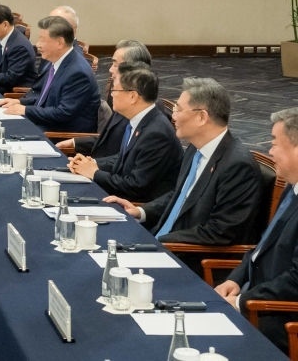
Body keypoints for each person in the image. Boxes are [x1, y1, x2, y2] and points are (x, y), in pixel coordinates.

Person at [103, 77, 262, 248]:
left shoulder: (237, 166)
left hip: (185, 254)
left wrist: (161, 242)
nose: (173, 117)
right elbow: (180, 195)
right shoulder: (195, 149)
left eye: (178, 109)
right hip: (161, 238)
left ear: (201, 117)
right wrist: (141, 211)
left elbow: (219, 232)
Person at [215, 107, 298, 353]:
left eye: (274, 143)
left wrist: (243, 301)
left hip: (279, 321)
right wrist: (236, 279)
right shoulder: (292, 188)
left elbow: (295, 281)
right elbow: (262, 247)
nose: (269, 151)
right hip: (256, 299)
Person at [68, 63, 182, 201]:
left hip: (135, 204)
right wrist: (91, 163)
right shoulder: (140, 121)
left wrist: (95, 173)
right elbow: (124, 160)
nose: (111, 95)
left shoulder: (156, 134)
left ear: (133, 96)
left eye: (114, 90)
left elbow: (136, 186)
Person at [0, 15, 99, 132]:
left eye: (42, 40)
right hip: (45, 123)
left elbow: (63, 113)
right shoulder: (57, 62)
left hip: (59, 133)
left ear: (60, 43)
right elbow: (44, 97)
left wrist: (25, 110)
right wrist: (19, 101)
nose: (37, 44)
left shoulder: (77, 72)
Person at [59, 40, 153, 157]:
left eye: (115, 65)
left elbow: (126, 158)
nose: (110, 69)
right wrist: (75, 142)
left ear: (133, 70)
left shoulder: (144, 110)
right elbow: (109, 139)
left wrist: (93, 165)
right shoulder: (124, 98)